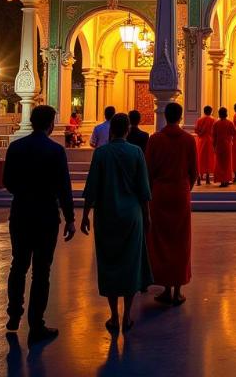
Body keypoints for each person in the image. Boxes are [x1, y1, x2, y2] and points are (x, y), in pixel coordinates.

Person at [3, 105, 75, 345]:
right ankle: (36, 324)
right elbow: (64, 187)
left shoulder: (16, 147)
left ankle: (14, 314)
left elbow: (8, 182)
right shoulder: (55, 151)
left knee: (18, 265)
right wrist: (70, 218)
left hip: (21, 212)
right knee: (41, 271)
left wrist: (25, 194)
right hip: (45, 215)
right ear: (50, 124)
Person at [82, 112, 152, 335]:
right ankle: (127, 314)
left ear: (111, 130)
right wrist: (147, 216)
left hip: (106, 214)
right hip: (132, 215)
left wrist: (84, 215)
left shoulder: (101, 153)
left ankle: (113, 315)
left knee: (109, 262)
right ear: (128, 130)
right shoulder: (136, 152)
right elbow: (143, 189)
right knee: (131, 263)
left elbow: (92, 187)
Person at [145, 102, 198, 306]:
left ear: (164, 115)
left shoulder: (155, 139)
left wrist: (151, 191)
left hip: (159, 193)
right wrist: (185, 187)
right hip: (180, 191)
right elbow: (194, 171)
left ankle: (166, 287)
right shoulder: (188, 140)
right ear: (181, 116)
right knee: (181, 241)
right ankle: (178, 289)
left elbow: (148, 170)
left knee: (161, 240)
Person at [212, 107, 235, 188]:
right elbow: (233, 133)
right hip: (227, 145)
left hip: (219, 145)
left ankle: (222, 180)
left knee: (220, 163)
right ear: (226, 113)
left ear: (219, 114)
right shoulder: (230, 123)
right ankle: (227, 179)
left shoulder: (216, 124)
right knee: (227, 163)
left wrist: (213, 146)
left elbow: (214, 136)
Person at [194, 106, 216, 186]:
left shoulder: (200, 120)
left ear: (204, 111)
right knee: (208, 159)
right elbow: (215, 131)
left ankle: (199, 179)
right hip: (210, 141)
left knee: (200, 159)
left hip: (201, 141)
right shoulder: (213, 120)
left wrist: (201, 133)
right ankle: (207, 178)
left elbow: (196, 130)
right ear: (211, 111)